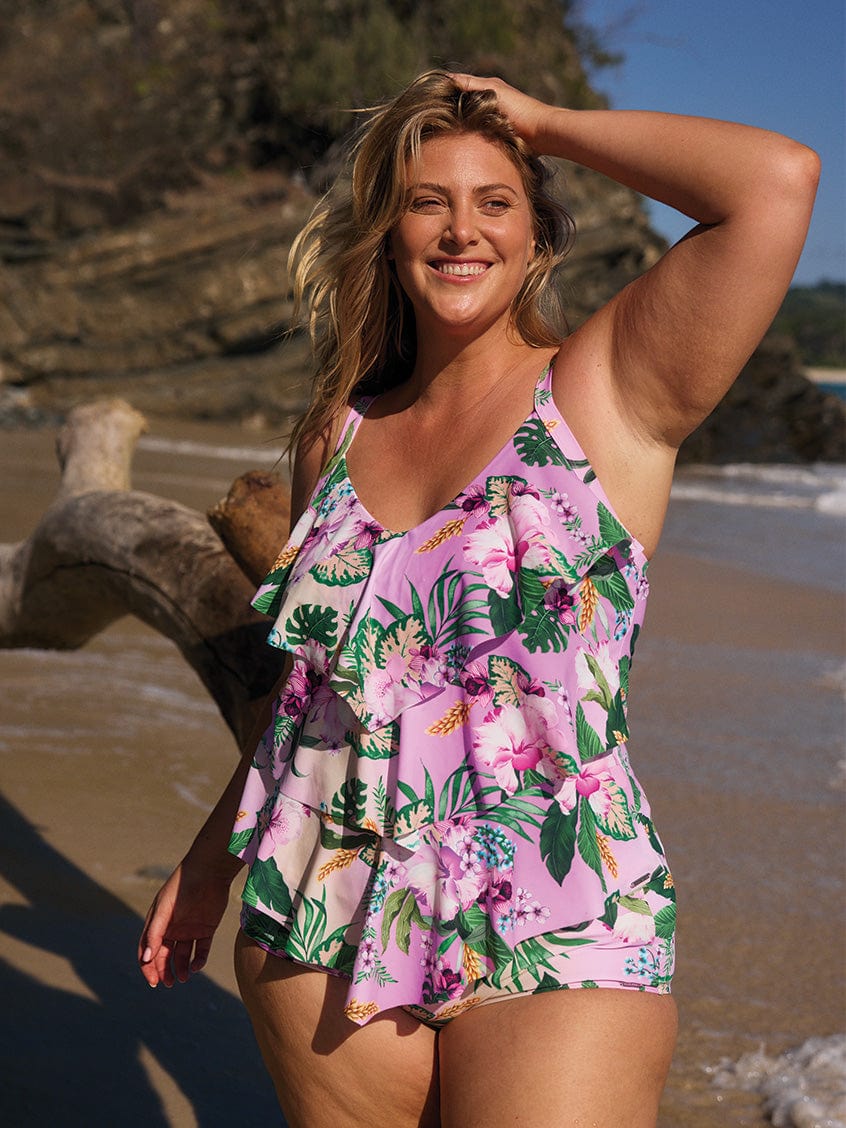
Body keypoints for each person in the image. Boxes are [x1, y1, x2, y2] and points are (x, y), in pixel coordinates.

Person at [138, 71, 818, 1127]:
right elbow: (317, 691)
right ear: (389, 231)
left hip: (559, 897)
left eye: (494, 201)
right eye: (428, 201)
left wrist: (541, 125)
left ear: (538, 234)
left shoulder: (606, 390)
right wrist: (209, 861)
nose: (461, 231)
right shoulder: (337, 434)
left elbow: (776, 182)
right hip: (322, 897)